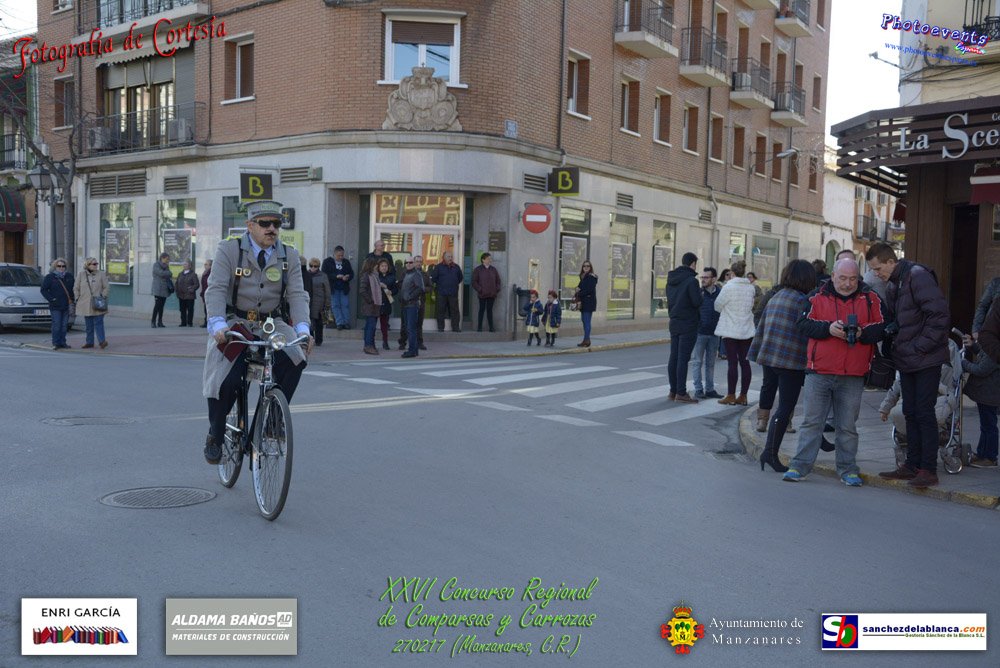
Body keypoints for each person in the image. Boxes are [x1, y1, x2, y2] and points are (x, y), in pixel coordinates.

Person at [201, 200, 313, 465]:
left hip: (271, 324)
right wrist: (217, 324)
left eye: (276, 224)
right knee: (227, 379)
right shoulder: (229, 250)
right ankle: (215, 434)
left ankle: (272, 420)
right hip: (236, 322)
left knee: (296, 358)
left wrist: (303, 329)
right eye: (265, 224)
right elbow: (216, 288)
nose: (272, 229)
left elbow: (297, 294)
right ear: (250, 225)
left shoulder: (289, 255)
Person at [782, 258, 886, 486]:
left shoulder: (871, 298)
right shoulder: (815, 297)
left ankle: (848, 470)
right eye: (843, 278)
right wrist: (828, 329)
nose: (848, 284)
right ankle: (799, 466)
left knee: (847, 426)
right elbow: (801, 324)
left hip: (853, 373)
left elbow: (883, 326)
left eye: (853, 279)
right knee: (812, 422)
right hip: (818, 372)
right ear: (833, 276)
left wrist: (862, 333)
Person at [867, 242, 951, 488]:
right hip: (909, 358)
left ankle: (928, 469)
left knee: (923, 412)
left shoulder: (917, 276)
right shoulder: (896, 283)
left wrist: (919, 347)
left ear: (891, 262)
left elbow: (939, 316)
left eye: (878, 268)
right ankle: (913, 465)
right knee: (910, 411)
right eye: (873, 270)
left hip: (925, 358)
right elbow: (902, 319)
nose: (876, 274)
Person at [749, 260, 817, 472]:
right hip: (790, 361)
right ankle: (769, 453)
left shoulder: (777, 296)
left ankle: (818, 439)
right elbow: (805, 332)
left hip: (770, 355)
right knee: (786, 407)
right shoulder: (801, 300)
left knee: (788, 402)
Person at [879, 342, 958, 443]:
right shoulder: (910, 366)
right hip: (911, 399)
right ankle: (907, 435)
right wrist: (885, 408)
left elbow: (950, 393)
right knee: (899, 413)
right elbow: (895, 389)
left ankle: (934, 435)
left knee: (934, 414)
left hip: (936, 400)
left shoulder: (946, 368)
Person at [714, 260, 757, 405]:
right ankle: (743, 396)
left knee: (732, 363)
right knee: (745, 363)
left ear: (732, 273)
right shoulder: (750, 287)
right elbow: (751, 305)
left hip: (730, 329)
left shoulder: (728, 287)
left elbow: (717, 305)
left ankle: (731, 395)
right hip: (746, 329)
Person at [666, 252, 702, 403]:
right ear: (693, 264)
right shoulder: (692, 281)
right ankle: (681, 392)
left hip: (674, 321)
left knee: (674, 357)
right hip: (688, 323)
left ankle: (673, 391)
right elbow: (696, 302)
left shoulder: (671, 279)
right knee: (683, 358)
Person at [961, 333, 1000, 468]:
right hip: (987, 394)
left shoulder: (995, 350)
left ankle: (990, 457)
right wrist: (973, 346)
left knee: (989, 426)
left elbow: (981, 369)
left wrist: (964, 363)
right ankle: (982, 454)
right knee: (986, 425)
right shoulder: (993, 346)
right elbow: (983, 354)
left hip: (989, 394)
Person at [690, 267, 722, 399]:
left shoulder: (721, 293)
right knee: (697, 362)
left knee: (710, 363)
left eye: (706, 277)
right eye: (702, 277)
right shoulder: (698, 293)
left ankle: (710, 389)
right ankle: (698, 389)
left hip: (715, 333)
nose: (703, 280)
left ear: (713, 279)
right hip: (700, 333)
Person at [74, 257, 109, 349]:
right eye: (94, 264)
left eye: (96, 264)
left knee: (99, 322)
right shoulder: (81, 274)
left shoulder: (101, 274)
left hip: (98, 302)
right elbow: (76, 288)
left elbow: (106, 287)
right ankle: (89, 342)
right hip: (85, 303)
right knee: (88, 324)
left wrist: (103, 296)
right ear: (88, 265)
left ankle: (102, 341)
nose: (96, 265)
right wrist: (77, 298)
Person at [40, 258, 74, 350]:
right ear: (55, 267)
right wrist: (52, 299)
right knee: (57, 325)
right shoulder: (50, 277)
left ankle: (63, 342)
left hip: (66, 305)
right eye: (59, 266)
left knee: (64, 326)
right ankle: (55, 343)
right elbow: (43, 290)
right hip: (55, 306)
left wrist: (73, 300)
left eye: (63, 266)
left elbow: (73, 290)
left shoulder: (69, 276)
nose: (61, 268)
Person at [399, 254, 430, 352]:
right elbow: (400, 284)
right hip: (407, 302)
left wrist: (423, 289)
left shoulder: (424, 274)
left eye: (420, 262)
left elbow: (429, 287)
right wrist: (408, 294)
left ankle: (418, 343)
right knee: (405, 324)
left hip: (420, 301)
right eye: (417, 261)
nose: (418, 263)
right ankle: (403, 342)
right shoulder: (405, 273)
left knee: (418, 323)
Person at [322, 245, 353, 330]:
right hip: (333, 287)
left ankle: (346, 322)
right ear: (334, 254)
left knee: (345, 305)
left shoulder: (346, 262)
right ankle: (339, 323)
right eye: (339, 255)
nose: (340, 257)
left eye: (342, 255)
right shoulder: (327, 262)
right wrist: (336, 276)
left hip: (344, 287)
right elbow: (324, 274)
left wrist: (348, 277)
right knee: (335, 305)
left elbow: (351, 273)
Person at [431, 251, 463, 332]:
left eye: (451, 256)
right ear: (444, 257)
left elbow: (460, 278)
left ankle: (455, 327)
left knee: (454, 311)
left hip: (453, 293)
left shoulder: (456, 267)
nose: (450, 258)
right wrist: (441, 285)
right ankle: (441, 327)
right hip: (441, 293)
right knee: (440, 310)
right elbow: (434, 278)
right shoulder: (438, 267)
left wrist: (453, 284)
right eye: (448, 256)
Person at [472, 252, 501, 332]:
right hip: (482, 294)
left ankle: (491, 327)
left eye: (490, 258)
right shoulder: (478, 269)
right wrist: (480, 289)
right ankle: (479, 327)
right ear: (483, 260)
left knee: (489, 310)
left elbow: (498, 281)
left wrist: (496, 289)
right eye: (488, 259)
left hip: (492, 294)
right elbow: (474, 282)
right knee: (481, 310)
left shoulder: (493, 269)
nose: (490, 260)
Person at [359, 257, 381, 354]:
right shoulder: (367, 276)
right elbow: (362, 290)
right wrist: (370, 300)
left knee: (371, 326)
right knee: (370, 326)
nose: (377, 266)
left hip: (374, 306)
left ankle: (370, 344)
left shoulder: (374, 275)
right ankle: (368, 346)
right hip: (370, 305)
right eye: (376, 265)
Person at [307, 257, 331, 346]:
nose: (313, 268)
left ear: (318, 266)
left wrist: (327, 303)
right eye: (311, 266)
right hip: (309, 300)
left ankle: (318, 340)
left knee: (318, 322)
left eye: (315, 266)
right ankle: (311, 338)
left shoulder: (323, 276)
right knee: (309, 320)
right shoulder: (306, 275)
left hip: (320, 301)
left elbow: (327, 290)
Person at [377, 257, 398, 350]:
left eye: (385, 266)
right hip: (376, 302)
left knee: (384, 324)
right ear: (379, 267)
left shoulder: (392, 277)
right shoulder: (375, 276)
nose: (384, 267)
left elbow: (395, 289)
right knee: (372, 323)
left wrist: (391, 291)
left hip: (386, 301)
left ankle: (385, 342)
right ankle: (370, 342)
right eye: (382, 266)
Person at [576, 260, 597, 347]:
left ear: (590, 267)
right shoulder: (583, 277)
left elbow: (589, 290)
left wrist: (579, 292)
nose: (586, 267)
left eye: (588, 266)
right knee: (584, 321)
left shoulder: (592, 277)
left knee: (586, 321)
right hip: (583, 302)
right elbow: (580, 287)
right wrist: (577, 289)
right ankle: (586, 339)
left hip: (589, 302)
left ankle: (586, 340)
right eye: (584, 266)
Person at [175, 260, 199, 327]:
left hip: (189, 295)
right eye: (184, 264)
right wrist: (177, 291)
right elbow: (177, 283)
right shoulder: (180, 274)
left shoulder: (193, 274)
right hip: (181, 295)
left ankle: (190, 322)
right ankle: (183, 322)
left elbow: (196, 284)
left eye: (186, 264)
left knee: (190, 309)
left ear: (190, 266)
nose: (184, 265)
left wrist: (191, 289)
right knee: (182, 309)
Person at [151, 252, 172, 328]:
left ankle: (160, 322)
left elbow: (170, 274)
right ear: (162, 258)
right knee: (157, 305)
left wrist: (166, 273)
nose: (168, 260)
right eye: (167, 259)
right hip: (157, 289)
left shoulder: (166, 266)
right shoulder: (156, 265)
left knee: (162, 306)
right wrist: (167, 273)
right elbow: (161, 273)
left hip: (164, 289)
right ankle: (153, 321)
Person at [717, 268, 733, 360]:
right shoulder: (719, 285)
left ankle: (722, 352)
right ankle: (721, 351)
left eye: (730, 274)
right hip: (720, 311)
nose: (729, 276)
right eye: (727, 274)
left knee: (724, 333)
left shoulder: (732, 285)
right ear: (723, 275)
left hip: (728, 312)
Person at [199, 259, 212, 327]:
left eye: (206, 264)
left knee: (209, 310)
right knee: (205, 309)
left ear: (210, 266)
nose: (204, 265)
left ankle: (208, 323)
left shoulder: (211, 273)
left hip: (210, 294)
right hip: (205, 293)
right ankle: (206, 322)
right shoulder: (205, 272)